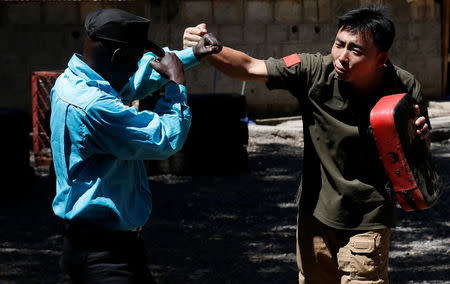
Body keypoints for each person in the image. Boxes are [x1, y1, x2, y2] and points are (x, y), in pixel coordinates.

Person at [183, 5, 430, 284]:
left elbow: (419, 157)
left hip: (369, 216)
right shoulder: (313, 70)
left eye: (356, 50)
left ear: (380, 58)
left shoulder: (404, 86)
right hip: (315, 214)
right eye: (339, 44)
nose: (342, 57)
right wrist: (206, 49)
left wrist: (419, 139)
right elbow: (250, 66)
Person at [50, 8, 221, 283]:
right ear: (118, 57)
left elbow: (135, 79)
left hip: (98, 245)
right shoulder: (96, 107)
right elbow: (166, 137)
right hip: (104, 257)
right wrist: (176, 83)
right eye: (135, 59)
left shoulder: (72, 82)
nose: (137, 66)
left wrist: (192, 54)